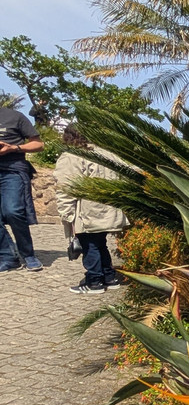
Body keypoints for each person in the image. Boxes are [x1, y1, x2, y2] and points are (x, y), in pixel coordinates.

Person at [54, 125, 129, 294]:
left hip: (88, 209)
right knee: (99, 242)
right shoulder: (108, 154)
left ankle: (94, 281)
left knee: (90, 244)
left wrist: (67, 214)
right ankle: (109, 277)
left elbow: (66, 186)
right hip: (109, 207)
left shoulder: (72, 156)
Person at [0, 105, 44, 272]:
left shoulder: (14, 117)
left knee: (13, 212)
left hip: (12, 170)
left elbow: (39, 144)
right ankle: (8, 256)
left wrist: (14, 148)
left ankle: (28, 254)